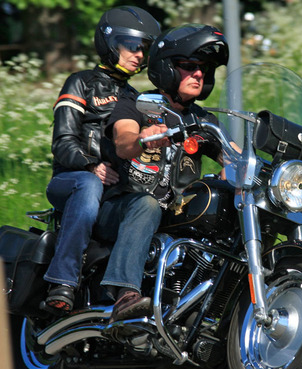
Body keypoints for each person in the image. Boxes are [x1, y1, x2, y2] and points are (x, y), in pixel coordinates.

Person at [95, 23, 229, 323]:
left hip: (171, 215)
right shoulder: (136, 104)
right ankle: (125, 294)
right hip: (121, 208)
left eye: (204, 69)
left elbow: (233, 155)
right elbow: (123, 142)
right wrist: (143, 139)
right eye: (190, 66)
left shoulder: (202, 120)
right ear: (167, 68)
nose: (199, 74)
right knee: (147, 204)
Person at [40, 6, 161, 315]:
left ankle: (125, 293)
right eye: (131, 45)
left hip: (111, 196)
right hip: (71, 181)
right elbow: (62, 143)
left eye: (143, 49)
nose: (138, 55)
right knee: (89, 184)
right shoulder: (80, 83)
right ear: (109, 43)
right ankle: (62, 281)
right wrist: (90, 166)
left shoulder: (136, 98)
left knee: (148, 204)